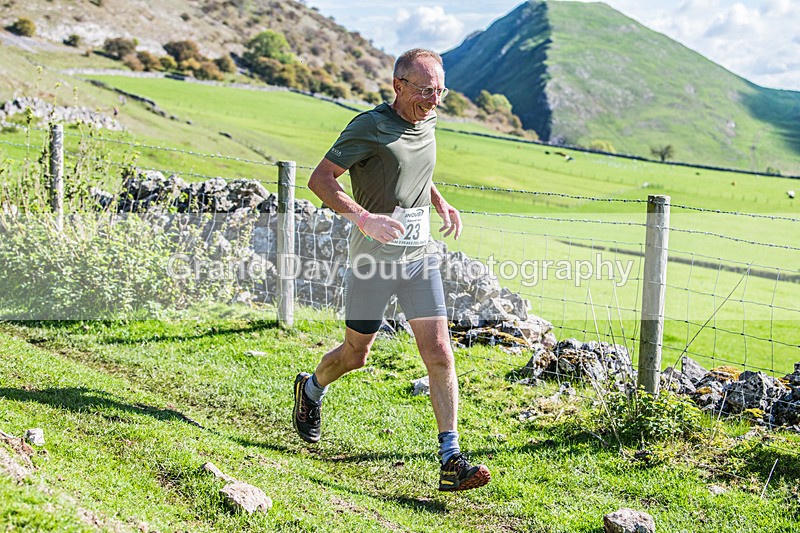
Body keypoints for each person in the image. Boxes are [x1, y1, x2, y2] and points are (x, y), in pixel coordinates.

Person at [293, 48, 490, 492]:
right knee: (355, 356)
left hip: (419, 258)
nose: (433, 100)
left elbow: (414, 168)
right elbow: (320, 179)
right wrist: (364, 219)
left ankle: (450, 458)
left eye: (440, 91)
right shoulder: (370, 126)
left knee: (439, 351)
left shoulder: (428, 117)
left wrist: (438, 201)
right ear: (397, 86)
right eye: (424, 91)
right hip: (371, 263)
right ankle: (310, 389)